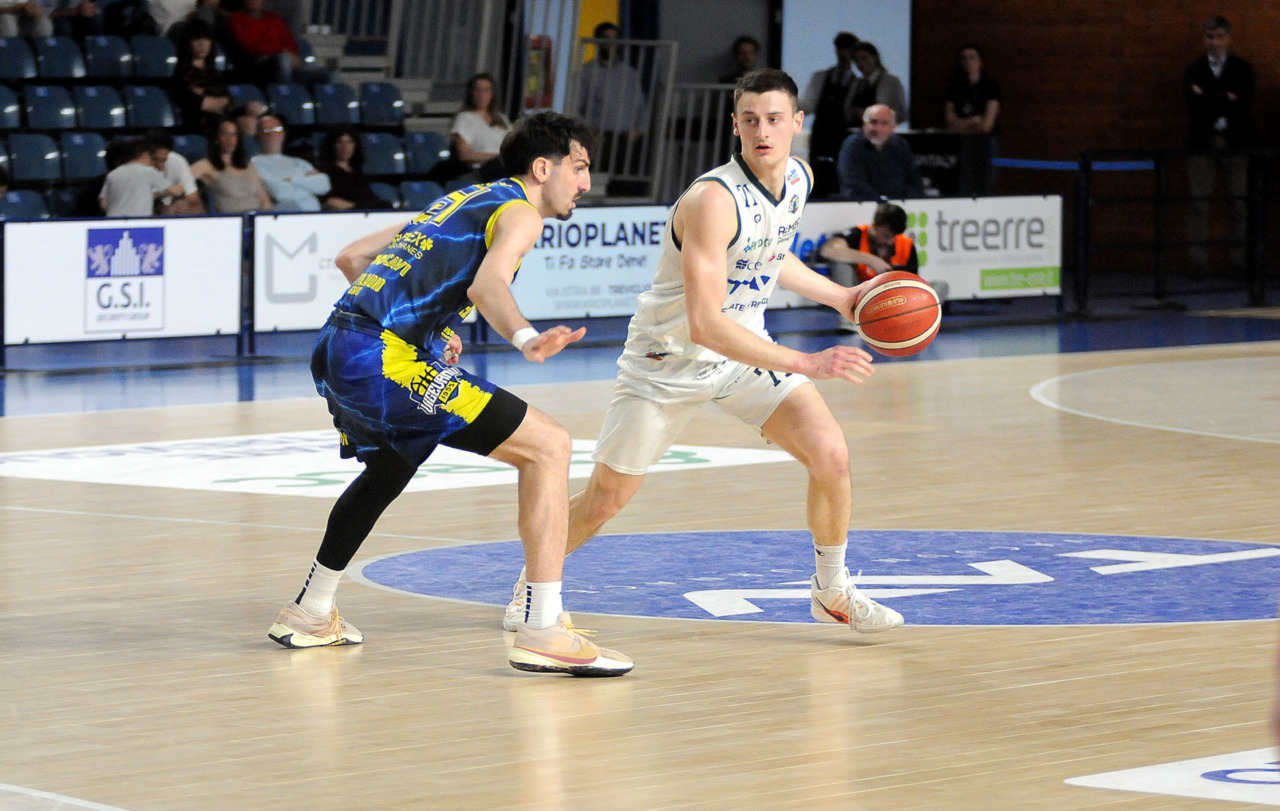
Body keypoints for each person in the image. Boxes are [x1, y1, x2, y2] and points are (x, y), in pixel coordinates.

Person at [500, 69, 903, 638]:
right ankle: (533, 586)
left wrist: (841, 296)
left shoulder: (799, 177)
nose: (762, 131)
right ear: (734, 125)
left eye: (774, 119)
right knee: (608, 498)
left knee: (831, 455)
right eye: (750, 120)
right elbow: (706, 324)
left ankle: (831, 589)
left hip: (743, 357)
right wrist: (808, 362)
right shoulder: (712, 200)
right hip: (667, 362)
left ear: (797, 122)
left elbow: (768, 253)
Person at [268, 112, 634, 677]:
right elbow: (487, 285)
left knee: (390, 467)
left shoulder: (458, 200)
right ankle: (542, 629)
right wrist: (526, 337)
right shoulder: (520, 212)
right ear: (543, 168)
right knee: (549, 447)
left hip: (337, 343)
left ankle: (311, 612)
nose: (586, 183)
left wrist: (428, 329)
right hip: (379, 358)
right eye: (579, 167)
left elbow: (352, 259)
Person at [1185, 14, 1255, 273]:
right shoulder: (1194, 69)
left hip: (1235, 140)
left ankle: (1240, 259)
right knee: (1198, 202)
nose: (1215, 42)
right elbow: (1193, 103)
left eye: (1219, 36)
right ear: (1204, 39)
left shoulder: (1242, 68)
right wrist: (1226, 97)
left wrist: (1208, 97)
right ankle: (1197, 261)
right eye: (1210, 37)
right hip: (1203, 140)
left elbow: (1245, 101)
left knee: (1239, 203)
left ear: (1228, 38)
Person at [819, 202, 947, 327]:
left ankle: (911, 321)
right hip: (861, 297)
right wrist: (871, 260)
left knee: (940, 286)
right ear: (875, 226)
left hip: (894, 300)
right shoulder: (857, 234)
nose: (890, 242)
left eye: (893, 236)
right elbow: (828, 251)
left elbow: (914, 283)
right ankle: (850, 319)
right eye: (886, 236)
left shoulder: (906, 245)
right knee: (840, 263)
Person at [576, 21, 648, 179]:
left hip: (627, 139)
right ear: (597, 41)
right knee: (598, 180)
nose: (610, 43)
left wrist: (639, 130)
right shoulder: (587, 72)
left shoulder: (629, 73)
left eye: (614, 38)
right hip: (600, 138)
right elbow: (576, 105)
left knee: (625, 181)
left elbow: (641, 106)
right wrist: (587, 134)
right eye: (606, 38)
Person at [801, 31, 859, 197]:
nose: (844, 54)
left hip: (842, 135)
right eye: (841, 49)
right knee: (817, 176)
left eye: (847, 50)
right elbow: (808, 106)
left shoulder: (857, 82)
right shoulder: (820, 77)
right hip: (820, 134)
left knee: (839, 176)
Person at [944, 43, 1003, 196]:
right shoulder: (955, 86)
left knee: (983, 186)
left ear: (980, 61)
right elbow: (950, 122)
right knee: (962, 185)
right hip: (960, 143)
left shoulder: (991, 86)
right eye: (964, 58)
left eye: (972, 58)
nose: (968, 62)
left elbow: (986, 125)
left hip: (985, 144)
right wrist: (974, 121)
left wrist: (963, 123)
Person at [836, 104, 923, 200]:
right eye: (873, 122)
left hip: (898, 203)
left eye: (884, 123)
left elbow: (914, 181)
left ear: (893, 128)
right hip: (863, 203)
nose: (878, 128)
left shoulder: (900, 145)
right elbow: (853, 184)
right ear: (864, 124)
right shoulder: (852, 146)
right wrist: (882, 200)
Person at [226, 0, 325, 84]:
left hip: (282, 61)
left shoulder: (273, 18)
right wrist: (280, 53)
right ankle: (284, 94)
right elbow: (248, 46)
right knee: (283, 59)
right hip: (255, 66)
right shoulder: (236, 19)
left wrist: (292, 56)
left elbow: (289, 42)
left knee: (326, 75)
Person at [190, 116, 273, 213]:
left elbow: (264, 198)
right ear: (216, 138)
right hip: (233, 217)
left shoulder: (248, 165)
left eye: (234, 135)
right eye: (225, 134)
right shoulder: (206, 165)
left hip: (257, 215)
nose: (230, 139)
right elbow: (183, 181)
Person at [250, 113, 330, 211]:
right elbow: (279, 192)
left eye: (277, 129)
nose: (272, 134)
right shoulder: (254, 164)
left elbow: (324, 185)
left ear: (283, 134)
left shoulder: (298, 162)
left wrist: (290, 181)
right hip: (286, 214)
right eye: (266, 130)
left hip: (315, 214)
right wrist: (308, 186)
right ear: (257, 136)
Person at [99, 136, 186, 217]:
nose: (152, 163)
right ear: (145, 155)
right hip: (139, 221)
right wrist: (184, 185)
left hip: (113, 222)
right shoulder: (148, 172)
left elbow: (104, 204)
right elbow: (175, 191)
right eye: (151, 158)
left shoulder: (112, 174)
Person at [449, 72, 511, 184]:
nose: (481, 94)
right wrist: (497, 157)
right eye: (477, 90)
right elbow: (464, 155)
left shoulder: (502, 119)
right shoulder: (465, 118)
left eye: (486, 90)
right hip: (481, 170)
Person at [316, 125, 390, 210]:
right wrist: (357, 208)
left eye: (349, 142)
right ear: (332, 145)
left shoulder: (357, 172)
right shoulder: (325, 171)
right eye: (339, 142)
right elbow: (328, 202)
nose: (345, 147)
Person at [848, 41, 907, 126]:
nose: (860, 63)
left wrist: (876, 116)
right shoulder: (856, 84)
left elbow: (902, 114)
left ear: (874, 57)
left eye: (864, 58)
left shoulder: (891, 82)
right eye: (856, 60)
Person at [148, 129, 204, 215]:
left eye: (164, 160)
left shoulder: (178, 162)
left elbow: (194, 201)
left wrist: (186, 208)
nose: (160, 166)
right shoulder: (137, 167)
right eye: (155, 160)